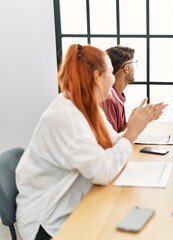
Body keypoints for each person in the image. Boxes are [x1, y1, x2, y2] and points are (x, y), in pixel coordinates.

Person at [15, 44, 161, 240]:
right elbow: (102, 172)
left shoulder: (88, 106)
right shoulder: (65, 116)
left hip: (74, 201)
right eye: (110, 72)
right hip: (47, 221)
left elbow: (111, 140)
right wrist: (131, 133)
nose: (114, 77)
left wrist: (135, 126)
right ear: (97, 77)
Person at [101, 46, 166, 133]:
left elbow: (119, 133)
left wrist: (138, 118)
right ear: (126, 68)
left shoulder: (117, 95)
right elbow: (112, 142)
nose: (134, 68)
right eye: (133, 63)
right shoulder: (108, 100)